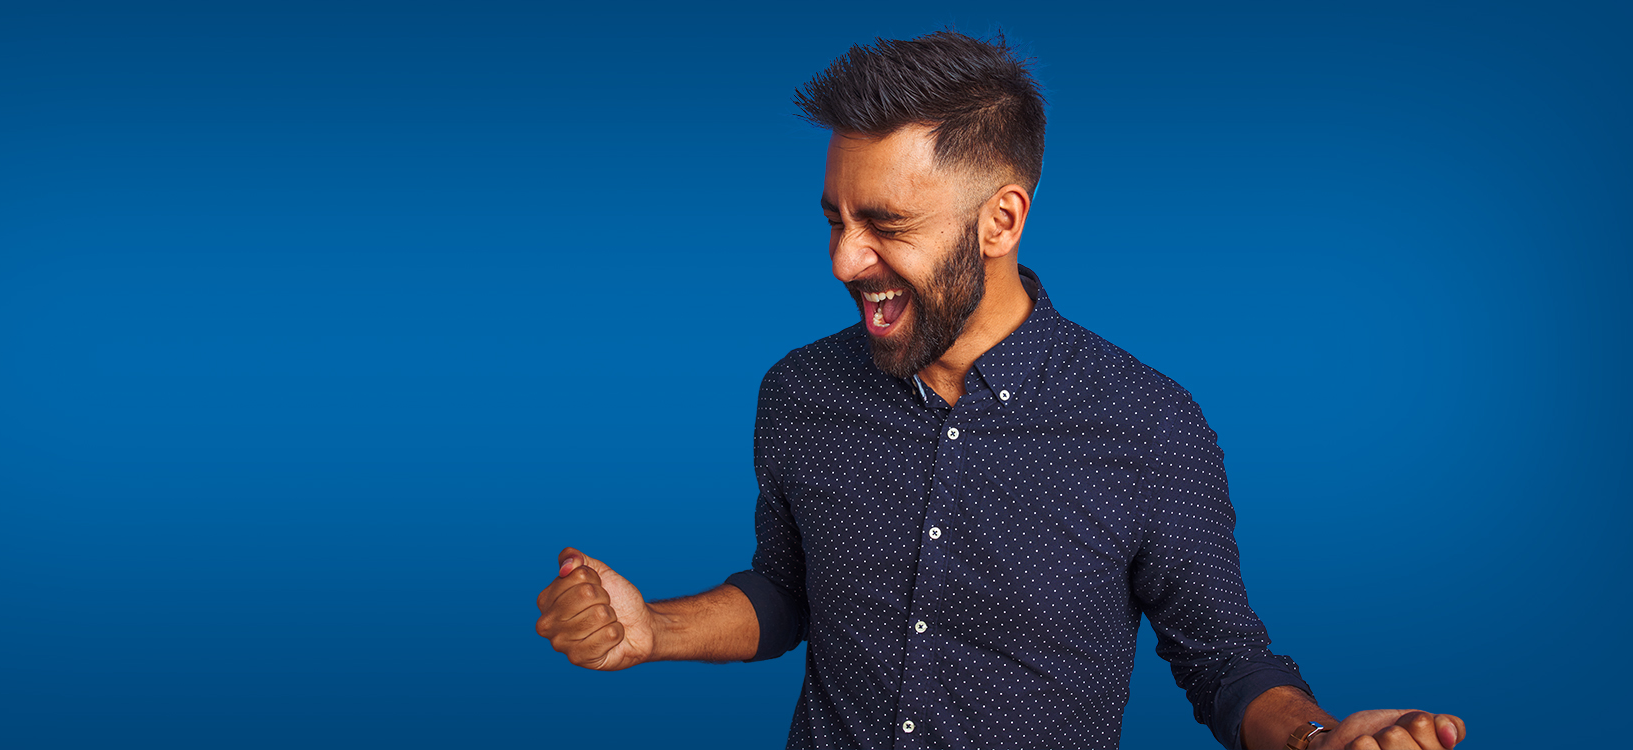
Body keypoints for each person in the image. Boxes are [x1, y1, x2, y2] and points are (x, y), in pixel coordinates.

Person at [532, 31, 1465, 750]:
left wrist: (1311, 736)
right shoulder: (800, 390)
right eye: (836, 219)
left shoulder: (1146, 425)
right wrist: (649, 627)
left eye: (885, 224)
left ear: (1002, 219)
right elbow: (791, 592)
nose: (844, 259)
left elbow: (1222, 659)